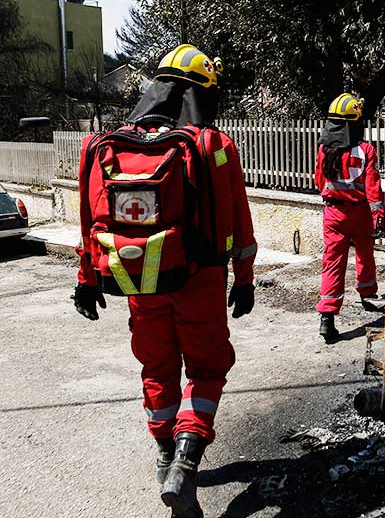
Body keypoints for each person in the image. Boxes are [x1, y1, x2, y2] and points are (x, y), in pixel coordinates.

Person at [71, 44, 257, 518]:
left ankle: (163, 457)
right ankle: (187, 460)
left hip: (139, 281)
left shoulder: (104, 145)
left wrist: (88, 278)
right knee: (208, 368)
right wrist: (244, 279)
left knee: (156, 369)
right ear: (203, 93)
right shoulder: (212, 145)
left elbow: (87, 219)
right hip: (200, 280)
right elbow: (238, 219)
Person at [314, 93, 385, 343]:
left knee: (333, 262)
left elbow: (318, 181)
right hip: (360, 212)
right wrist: (379, 214)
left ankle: (327, 317)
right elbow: (373, 186)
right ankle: (367, 295)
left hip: (333, 213)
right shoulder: (366, 150)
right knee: (365, 254)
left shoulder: (324, 149)